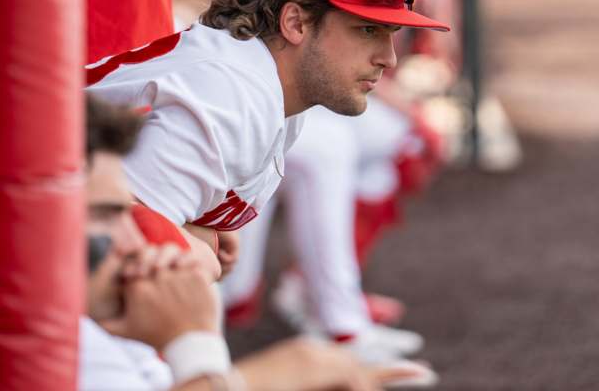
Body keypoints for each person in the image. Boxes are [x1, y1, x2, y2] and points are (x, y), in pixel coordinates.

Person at [86, 0, 449, 281]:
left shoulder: (272, 82)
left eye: (390, 34)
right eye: (368, 30)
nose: (389, 59)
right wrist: (199, 248)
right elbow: (109, 243)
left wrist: (196, 227)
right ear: (296, 23)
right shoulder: (233, 94)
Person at [82, 95, 437, 390]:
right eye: (104, 214)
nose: (134, 240)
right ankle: (325, 310)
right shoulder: (73, 339)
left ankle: (321, 302)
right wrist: (199, 350)